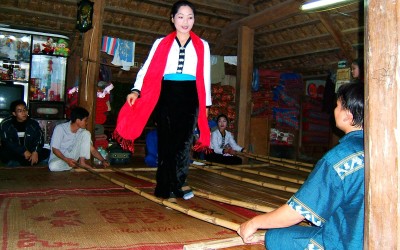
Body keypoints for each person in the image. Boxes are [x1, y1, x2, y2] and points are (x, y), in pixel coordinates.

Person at [237, 83, 364, 250]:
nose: (334, 110)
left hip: (347, 243)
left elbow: (297, 212)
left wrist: (254, 223)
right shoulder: (381, 149)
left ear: (348, 116)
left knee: (275, 237)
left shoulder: (338, 159)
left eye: (337, 106)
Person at [113, 0, 211, 201]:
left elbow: (205, 76)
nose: (185, 21)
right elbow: (147, 69)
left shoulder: (203, 45)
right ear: (172, 19)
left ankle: (178, 184)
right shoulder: (160, 43)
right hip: (166, 95)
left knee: (184, 144)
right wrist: (135, 90)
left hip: (190, 96)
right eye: (181, 16)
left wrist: (206, 105)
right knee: (166, 142)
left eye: (190, 17)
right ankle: (164, 187)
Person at [48, 107, 110, 172]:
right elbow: (55, 149)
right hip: (59, 158)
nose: (86, 123)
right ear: (78, 120)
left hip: (72, 159)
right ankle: (74, 165)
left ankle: (82, 163)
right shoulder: (60, 128)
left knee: (86, 133)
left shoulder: (82, 132)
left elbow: (92, 150)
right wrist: (66, 160)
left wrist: (103, 160)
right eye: (85, 120)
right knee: (53, 167)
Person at [0, 100, 50, 166]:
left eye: (25, 110)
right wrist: (23, 151)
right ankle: (23, 163)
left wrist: (35, 152)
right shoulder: (6, 124)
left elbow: (39, 139)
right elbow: (7, 142)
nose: (24, 113)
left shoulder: (33, 123)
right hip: (14, 152)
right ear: (14, 113)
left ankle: (28, 162)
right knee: (4, 153)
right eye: (20, 111)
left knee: (48, 152)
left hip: (30, 151)